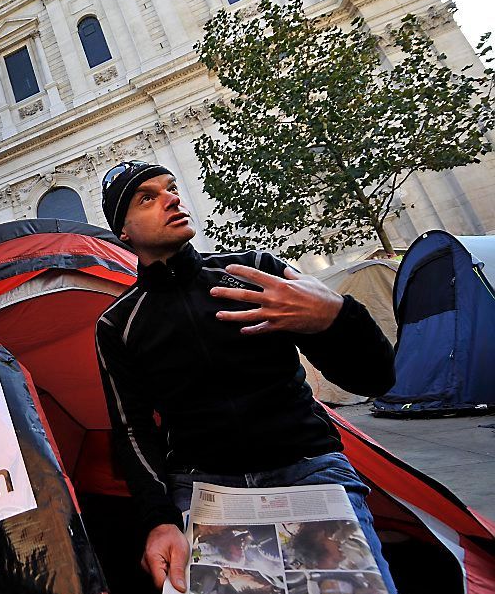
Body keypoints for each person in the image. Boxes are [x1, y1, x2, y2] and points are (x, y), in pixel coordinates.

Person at [94, 161, 398, 593]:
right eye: (148, 197)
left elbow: (374, 379)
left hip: (307, 471)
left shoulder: (253, 270)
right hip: (206, 490)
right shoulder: (117, 323)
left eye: (171, 188)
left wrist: (336, 316)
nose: (172, 199)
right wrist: (158, 519)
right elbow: (132, 430)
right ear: (122, 232)